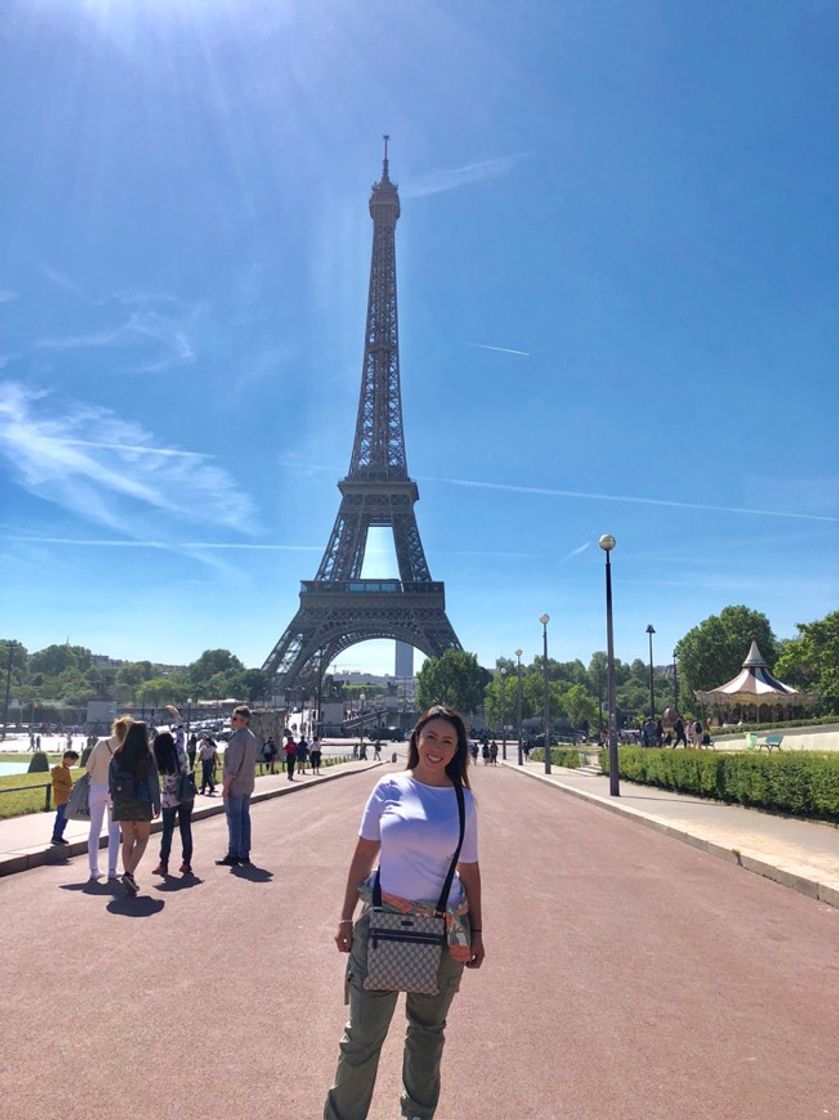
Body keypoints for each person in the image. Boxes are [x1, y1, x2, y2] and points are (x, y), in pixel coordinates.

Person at [324, 706, 484, 1120]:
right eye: (431, 737)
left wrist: (478, 932)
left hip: (442, 932)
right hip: (381, 925)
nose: (437, 747)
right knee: (360, 1038)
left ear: (457, 749)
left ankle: (417, 1115)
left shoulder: (464, 800)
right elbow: (363, 856)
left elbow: (470, 872)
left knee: (427, 1037)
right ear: (416, 738)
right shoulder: (388, 786)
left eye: (448, 741)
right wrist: (344, 917)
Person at [109, 722, 160, 895]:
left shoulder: (118, 753)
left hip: (122, 800)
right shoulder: (146, 755)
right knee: (143, 839)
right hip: (142, 800)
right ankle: (129, 874)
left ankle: (129, 876)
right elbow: (153, 781)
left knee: (128, 841)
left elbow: (111, 778)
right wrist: (157, 803)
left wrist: (114, 798)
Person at [86, 715, 133, 881]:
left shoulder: (101, 744)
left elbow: (88, 767)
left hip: (96, 787)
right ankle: (112, 869)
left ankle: (93, 869)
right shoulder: (126, 747)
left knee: (94, 830)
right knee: (114, 831)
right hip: (115, 790)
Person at [216, 705, 258, 868]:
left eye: (234, 718)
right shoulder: (250, 736)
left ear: (243, 720)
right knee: (244, 819)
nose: (232, 721)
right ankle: (244, 852)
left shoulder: (239, 738)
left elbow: (233, 766)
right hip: (247, 783)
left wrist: (226, 787)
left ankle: (234, 852)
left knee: (234, 820)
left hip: (236, 784)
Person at [151, 730, 194, 875]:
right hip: (185, 793)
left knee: (167, 832)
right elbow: (181, 735)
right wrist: (177, 719)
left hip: (169, 798)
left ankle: (164, 863)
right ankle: (186, 862)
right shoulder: (179, 750)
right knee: (185, 828)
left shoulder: (161, 758)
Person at [50, 749, 79, 845]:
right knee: (62, 818)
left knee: (62, 818)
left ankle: (57, 836)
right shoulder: (61, 769)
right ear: (67, 758)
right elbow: (55, 783)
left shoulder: (64, 768)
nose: (73, 763)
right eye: (73, 761)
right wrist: (68, 788)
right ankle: (56, 836)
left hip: (64, 798)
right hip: (62, 798)